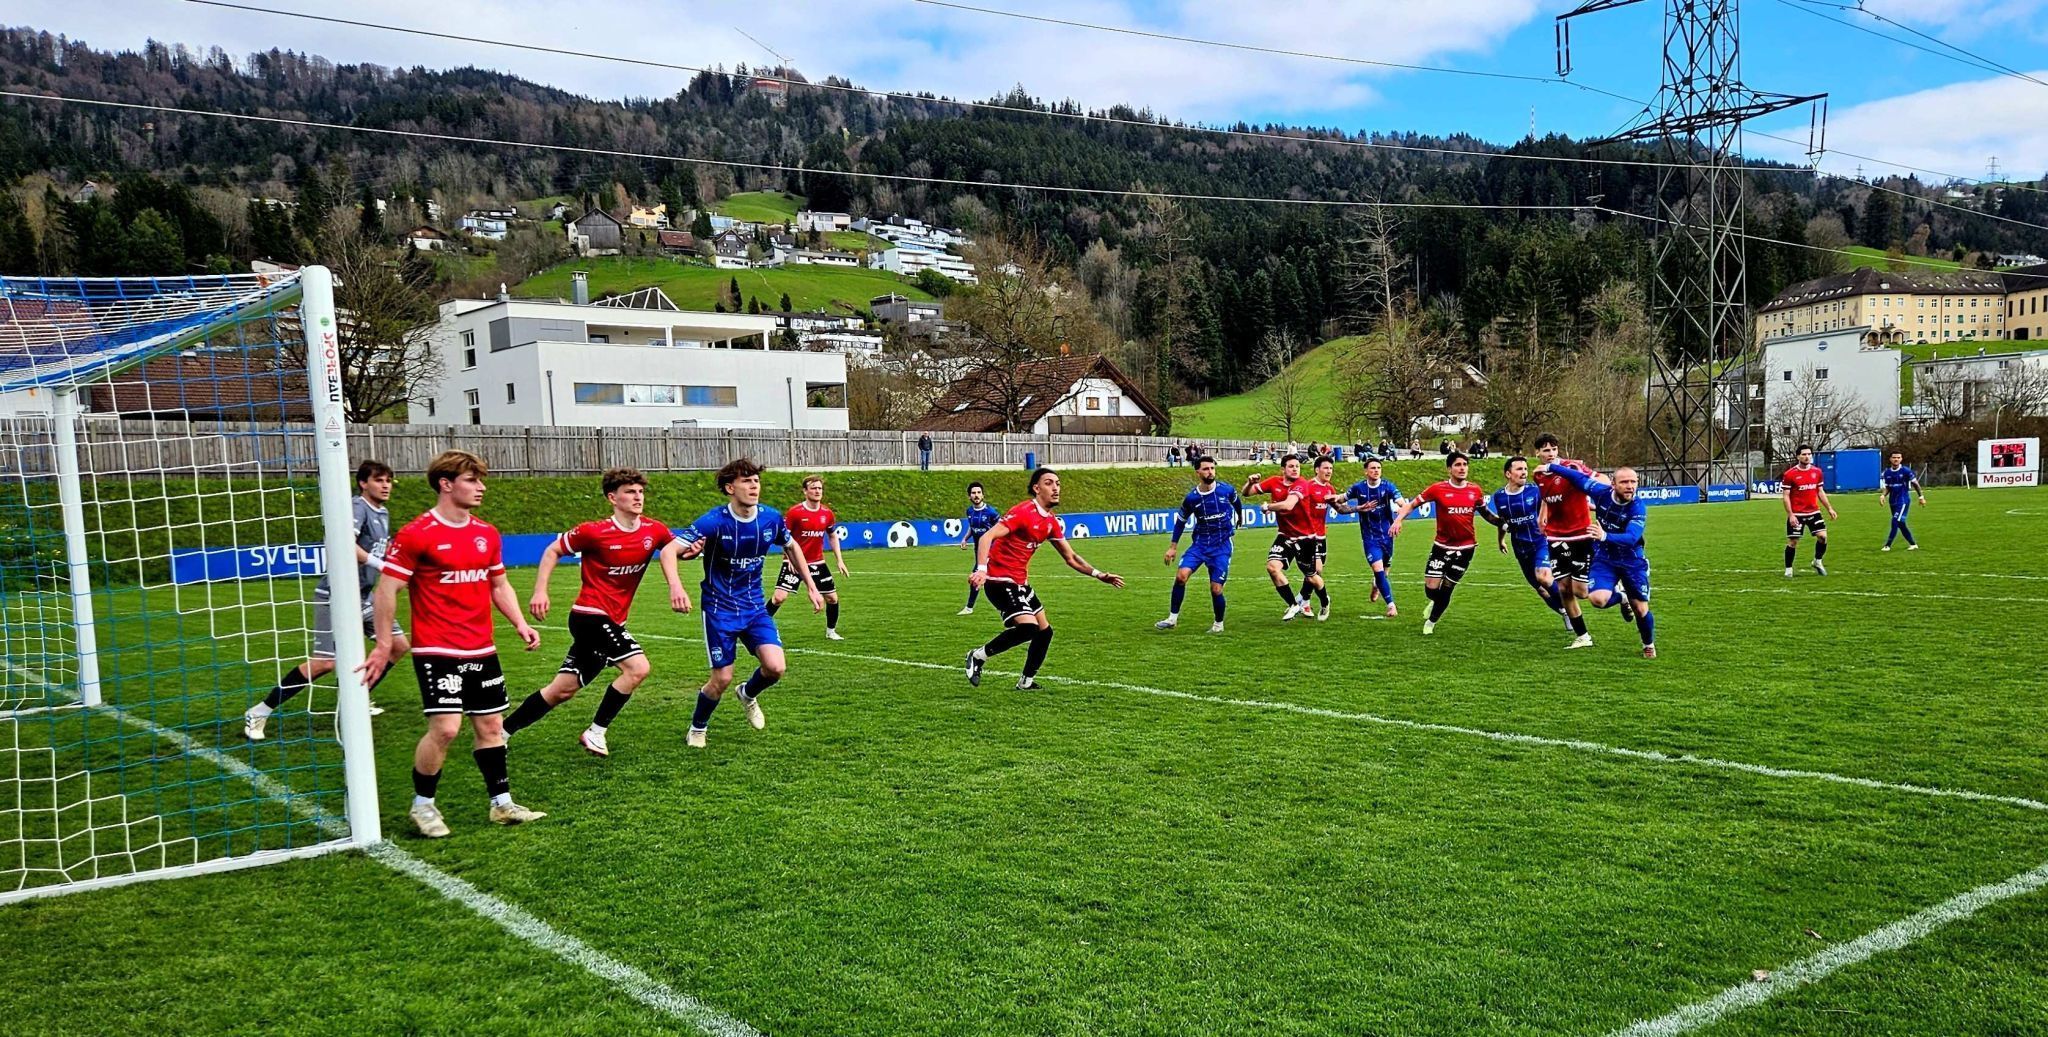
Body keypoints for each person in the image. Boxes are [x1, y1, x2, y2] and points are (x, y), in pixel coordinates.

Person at [357, 450, 544, 838]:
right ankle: (422, 805)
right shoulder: (417, 533)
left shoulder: (486, 533)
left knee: (492, 726)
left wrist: (520, 623)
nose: (481, 487)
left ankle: (501, 804)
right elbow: (387, 589)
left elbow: (499, 583)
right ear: (446, 484)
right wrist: (381, 645)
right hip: (436, 647)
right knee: (445, 728)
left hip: (481, 646)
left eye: (480, 480)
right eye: (472, 480)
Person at [503, 467, 689, 757]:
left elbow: (675, 549)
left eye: (640, 491)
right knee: (638, 667)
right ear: (612, 498)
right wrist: (540, 590)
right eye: (630, 492)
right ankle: (596, 732)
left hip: (613, 620)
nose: (638, 497)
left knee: (562, 689)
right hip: (589, 615)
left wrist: (691, 552)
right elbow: (553, 550)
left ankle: (501, 732)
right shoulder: (594, 532)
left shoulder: (654, 530)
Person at [244, 460, 401, 741]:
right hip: (337, 597)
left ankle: (355, 701)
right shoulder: (357, 507)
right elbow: (344, 542)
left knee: (398, 646)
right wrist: (380, 563)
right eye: (379, 480)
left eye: (389, 480)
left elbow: (378, 549)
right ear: (363, 483)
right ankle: (260, 711)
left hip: (365, 597)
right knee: (325, 663)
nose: (386, 485)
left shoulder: (383, 511)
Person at [674, 458, 823, 749]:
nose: (754, 485)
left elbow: (791, 545)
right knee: (721, 679)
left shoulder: (770, 518)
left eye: (756, 480)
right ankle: (698, 727)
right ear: (730, 487)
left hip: (754, 608)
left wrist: (811, 587)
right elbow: (672, 550)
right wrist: (679, 575)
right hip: (719, 610)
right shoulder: (714, 521)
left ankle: (748, 693)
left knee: (775, 667)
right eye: (746, 481)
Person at [964, 467, 1124, 690]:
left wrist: (1099, 575)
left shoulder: (1051, 522)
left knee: (1045, 632)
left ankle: (1025, 682)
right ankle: (978, 656)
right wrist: (982, 569)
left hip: (1020, 582)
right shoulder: (1023, 511)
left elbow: (1071, 557)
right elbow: (987, 537)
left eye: (1058, 483)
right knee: (1028, 628)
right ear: (1036, 488)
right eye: (1049, 483)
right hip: (1000, 581)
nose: (1056, 488)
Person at [1540, 462, 1657, 659]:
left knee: (1640, 609)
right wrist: (1553, 465)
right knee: (1597, 599)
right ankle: (1622, 597)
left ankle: (1648, 643)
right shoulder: (1601, 493)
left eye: (1633, 482)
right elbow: (1579, 479)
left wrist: (1604, 536)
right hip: (1605, 558)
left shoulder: (1637, 507)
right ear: (1613, 483)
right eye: (1625, 482)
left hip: (1632, 560)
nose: (1630, 486)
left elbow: (1632, 537)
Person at [1389, 451, 1486, 636]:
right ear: (1449, 469)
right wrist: (1398, 520)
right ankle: (1435, 601)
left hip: (1466, 548)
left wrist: (1502, 524)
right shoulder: (1438, 489)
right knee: (1431, 588)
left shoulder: (1475, 490)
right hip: (1441, 547)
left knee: (1448, 587)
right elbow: (1411, 504)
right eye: (1458, 465)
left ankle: (1431, 621)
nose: (1462, 468)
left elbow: (1486, 513)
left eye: (1465, 465)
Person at [1479, 456, 1568, 626]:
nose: (1524, 472)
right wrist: (1501, 540)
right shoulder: (1499, 497)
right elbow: (1503, 521)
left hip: (1541, 542)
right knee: (1541, 590)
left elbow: (1546, 513)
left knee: (1544, 577)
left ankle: (1570, 606)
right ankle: (1564, 611)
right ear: (1508, 473)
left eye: (1525, 469)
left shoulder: (1534, 491)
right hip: (1520, 547)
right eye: (1519, 469)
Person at [1158, 455, 1240, 634]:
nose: (1210, 472)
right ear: (1198, 472)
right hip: (1200, 545)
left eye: (1212, 468)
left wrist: (1239, 517)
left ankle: (1218, 624)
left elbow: (1237, 502)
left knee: (1216, 589)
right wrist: (1173, 547)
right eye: (1206, 469)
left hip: (1222, 546)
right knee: (1181, 576)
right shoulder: (1192, 498)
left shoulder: (1226, 490)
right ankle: (1172, 619)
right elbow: (1180, 521)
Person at [1533, 433, 1598, 648]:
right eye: (1545, 450)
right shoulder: (1538, 475)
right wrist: (1543, 513)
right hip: (1555, 537)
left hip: (1580, 534)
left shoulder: (1573, 467)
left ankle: (1619, 592)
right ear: (1537, 453)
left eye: (1553, 449)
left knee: (1581, 591)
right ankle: (1583, 636)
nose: (1550, 454)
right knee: (1563, 589)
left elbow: (1598, 481)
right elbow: (1547, 497)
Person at [768, 475, 850, 639]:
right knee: (778, 598)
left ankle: (831, 632)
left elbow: (832, 536)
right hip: (794, 562)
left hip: (817, 562)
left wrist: (839, 560)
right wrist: (788, 558)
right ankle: (758, 629)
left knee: (832, 598)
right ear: (805, 491)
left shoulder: (827, 513)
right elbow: (785, 537)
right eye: (813, 488)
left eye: (820, 488)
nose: (817, 491)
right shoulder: (795, 513)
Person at [1242, 454, 1316, 620]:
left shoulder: (1301, 484)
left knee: (1314, 575)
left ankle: (1321, 602)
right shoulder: (1274, 481)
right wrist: (1250, 483)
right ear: (1283, 469)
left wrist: (1269, 506)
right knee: (1272, 568)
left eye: (1297, 466)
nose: (1295, 469)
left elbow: (1289, 505)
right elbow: (1246, 493)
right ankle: (1293, 605)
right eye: (1291, 466)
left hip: (1305, 537)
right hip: (1285, 535)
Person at [1333, 457, 1402, 619]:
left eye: (1378, 468)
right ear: (1366, 471)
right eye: (1372, 468)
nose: (1376, 470)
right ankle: (1391, 605)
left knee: (1384, 572)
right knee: (1378, 571)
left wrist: (1400, 514)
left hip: (1388, 537)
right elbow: (1341, 499)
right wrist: (1332, 498)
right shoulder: (1358, 488)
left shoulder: (1388, 486)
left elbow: (1400, 501)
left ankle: (1376, 585)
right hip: (1370, 539)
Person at [1293, 455, 1340, 620]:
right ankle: (1310, 600)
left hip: (1322, 536)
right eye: (1326, 468)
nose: (1329, 471)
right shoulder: (1308, 486)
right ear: (1317, 469)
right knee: (1317, 570)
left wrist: (1359, 508)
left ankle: (1303, 600)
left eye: (1331, 469)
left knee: (1314, 572)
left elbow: (1339, 508)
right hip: (1308, 536)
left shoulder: (1329, 489)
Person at [1781, 444, 1838, 577]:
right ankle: (1788, 569)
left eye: (1809, 454)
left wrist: (1829, 508)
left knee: (1823, 537)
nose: (1807, 457)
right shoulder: (1790, 474)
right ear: (1798, 456)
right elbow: (1785, 496)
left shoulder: (1817, 472)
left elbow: (1820, 491)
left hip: (1814, 512)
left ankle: (1817, 561)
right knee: (1793, 542)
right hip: (1797, 514)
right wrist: (1791, 515)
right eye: (1804, 454)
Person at [958, 482, 1002, 615]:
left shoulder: (991, 512)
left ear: (983, 495)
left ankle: (969, 607)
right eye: (973, 493)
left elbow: (1001, 529)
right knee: (992, 580)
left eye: (978, 493)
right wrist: (965, 538)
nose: (976, 495)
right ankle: (1005, 606)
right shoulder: (969, 511)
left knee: (977, 577)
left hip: (991, 551)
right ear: (969, 496)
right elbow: (972, 528)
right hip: (978, 551)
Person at [1880, 450, 1927, 552]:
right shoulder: (1887, 472)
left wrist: (1921, 497)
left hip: (1903, 501)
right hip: (1892, 501)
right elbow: (1888, 487)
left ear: (1901, 459)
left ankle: (1887, 545)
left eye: (1898, 457)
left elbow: (1915, 484)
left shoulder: (1906, 471)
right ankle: (1913, 544)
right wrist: (1883, 495)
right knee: (1901, 524)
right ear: (1890, 459)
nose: (1896, 459)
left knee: (1895, 521)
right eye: (1894, 457)